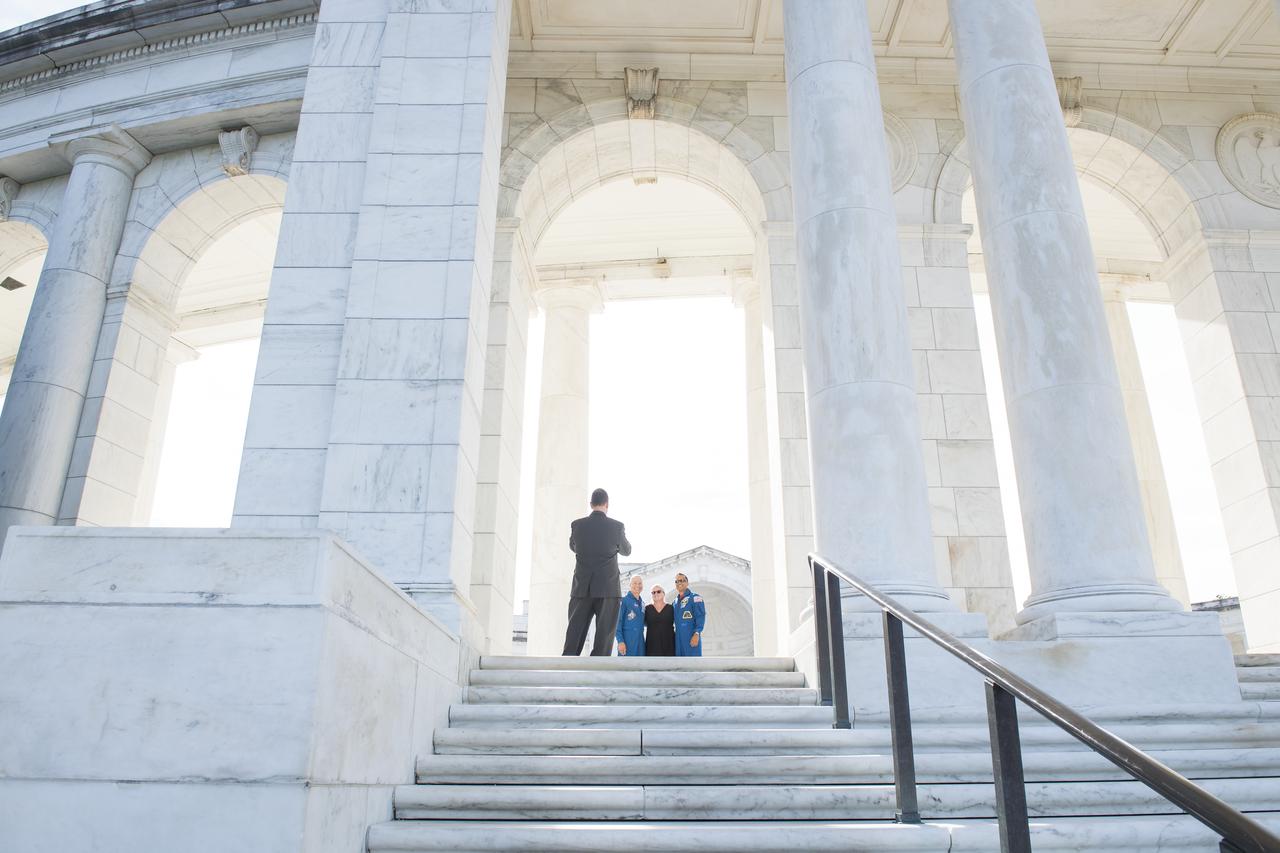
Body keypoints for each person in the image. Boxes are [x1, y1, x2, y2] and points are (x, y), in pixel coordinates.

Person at [562, 488, 632, 656]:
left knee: (574, 633)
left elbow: (573, 547)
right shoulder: (616, 527)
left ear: (591, 504)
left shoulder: (577, 525)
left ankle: (567, 668)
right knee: (604, 638)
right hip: (608, 589)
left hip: (582, 587)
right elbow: (626, 550)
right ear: (607, 504)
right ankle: (597, 673)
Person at [673, 573, 706, 657]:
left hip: (691, 637)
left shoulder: (695, 598)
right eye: (677, 581)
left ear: (687, 583)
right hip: (678, 640)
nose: (679, 583)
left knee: (693, 666)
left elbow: (700, 616)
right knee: (679, 666)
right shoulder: (675, 602)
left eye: (682, 580)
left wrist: (697, 633)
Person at [616, 575, 646, 657]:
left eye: (640, 583)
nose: (637, 585)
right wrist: (620, 641)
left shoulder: (642, 603)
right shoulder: (624, 601)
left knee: (640, 667)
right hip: (627, 641)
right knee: (626, 668)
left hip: (640, 643)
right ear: (630, 585)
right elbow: (617, 623)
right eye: (635, 583)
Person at [644, 583, 675, 656]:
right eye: (653, 592)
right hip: (652, 646)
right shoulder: (647, 609)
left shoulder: (671, 608)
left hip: (669, 645)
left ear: (664, 594)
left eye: (658, 591)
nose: (656, 593)